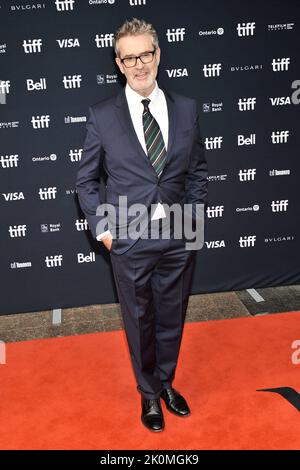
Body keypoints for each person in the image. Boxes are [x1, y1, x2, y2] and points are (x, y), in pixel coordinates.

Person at [76, 18, 208, 432]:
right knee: (138, 318)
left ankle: (166, 382)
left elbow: (198, 172)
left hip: (177, 233)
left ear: (157, 55)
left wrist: (193, 223)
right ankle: (148, 394)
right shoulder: (102, 115)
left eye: (145, 54)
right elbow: (86, 180)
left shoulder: (186, 108)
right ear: (118, 63)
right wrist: (104, 230)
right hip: (128, 235)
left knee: (172, 315)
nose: (138, 64)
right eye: (128, 57)